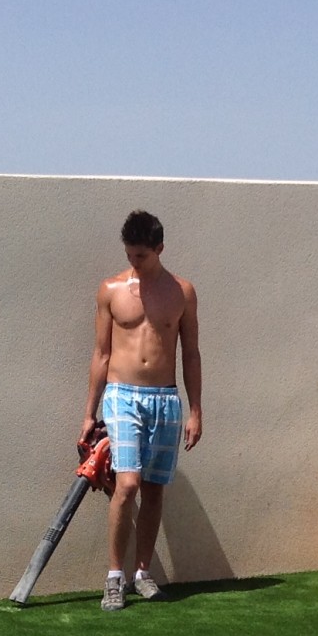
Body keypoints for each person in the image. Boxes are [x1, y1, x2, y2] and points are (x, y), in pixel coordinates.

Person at [81, 210, 202, 611]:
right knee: (127, 484)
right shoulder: (111, 290)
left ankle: (142, 573)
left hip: (165, 398)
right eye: (130, 254)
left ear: (160, 249)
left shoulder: (182, 292)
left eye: (142, 256)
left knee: (153, 488)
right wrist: (89, 413)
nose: (135, 261)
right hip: (122, 396)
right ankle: (114, 577)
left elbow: (191, 353)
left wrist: (196, 410)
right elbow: (101, 354)